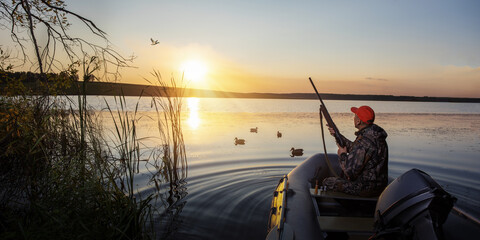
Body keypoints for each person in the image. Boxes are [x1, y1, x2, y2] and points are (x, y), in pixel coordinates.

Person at [323, 105, 388, 197]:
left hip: (366, 188)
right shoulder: (375, 136)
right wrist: (337, 135)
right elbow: (355, 148)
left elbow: (350, 172)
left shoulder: (364, 141)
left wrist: (342, 155)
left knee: (328, 182)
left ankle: (349, 208)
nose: (353, 118)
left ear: (358, 121)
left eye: (355, 116)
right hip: (379, 186)